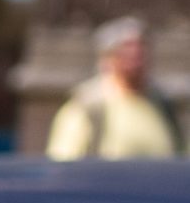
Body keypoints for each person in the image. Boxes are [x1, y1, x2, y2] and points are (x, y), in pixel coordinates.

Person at [46, 16, 184, 160]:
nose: (136, 60)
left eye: (141, 51)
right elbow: (64, 166)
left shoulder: (162, 104)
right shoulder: (87, 107)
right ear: (109, 58)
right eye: (127, 51)